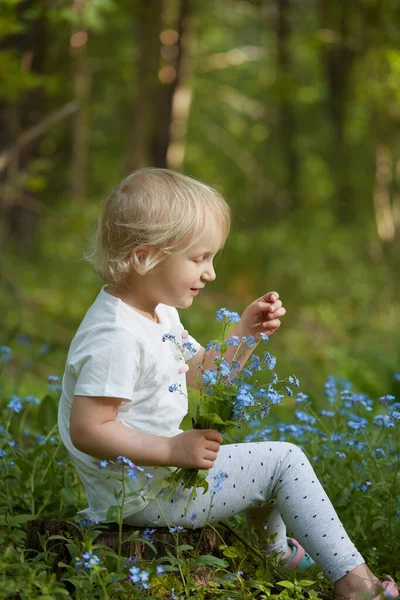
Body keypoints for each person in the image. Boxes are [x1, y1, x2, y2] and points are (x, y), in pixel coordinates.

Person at [58, 168, 398, 599]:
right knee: (283, 462)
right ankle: (355, 585)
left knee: (264, 466)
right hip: (142, 496)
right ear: (145, 257)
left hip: (151, 482)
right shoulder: (116, 337)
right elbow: (88, 428)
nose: (211, 273)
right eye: (199, 258)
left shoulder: (156, 314)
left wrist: (244, 334)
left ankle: (273, 556)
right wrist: (170, 449)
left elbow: (198, 373)